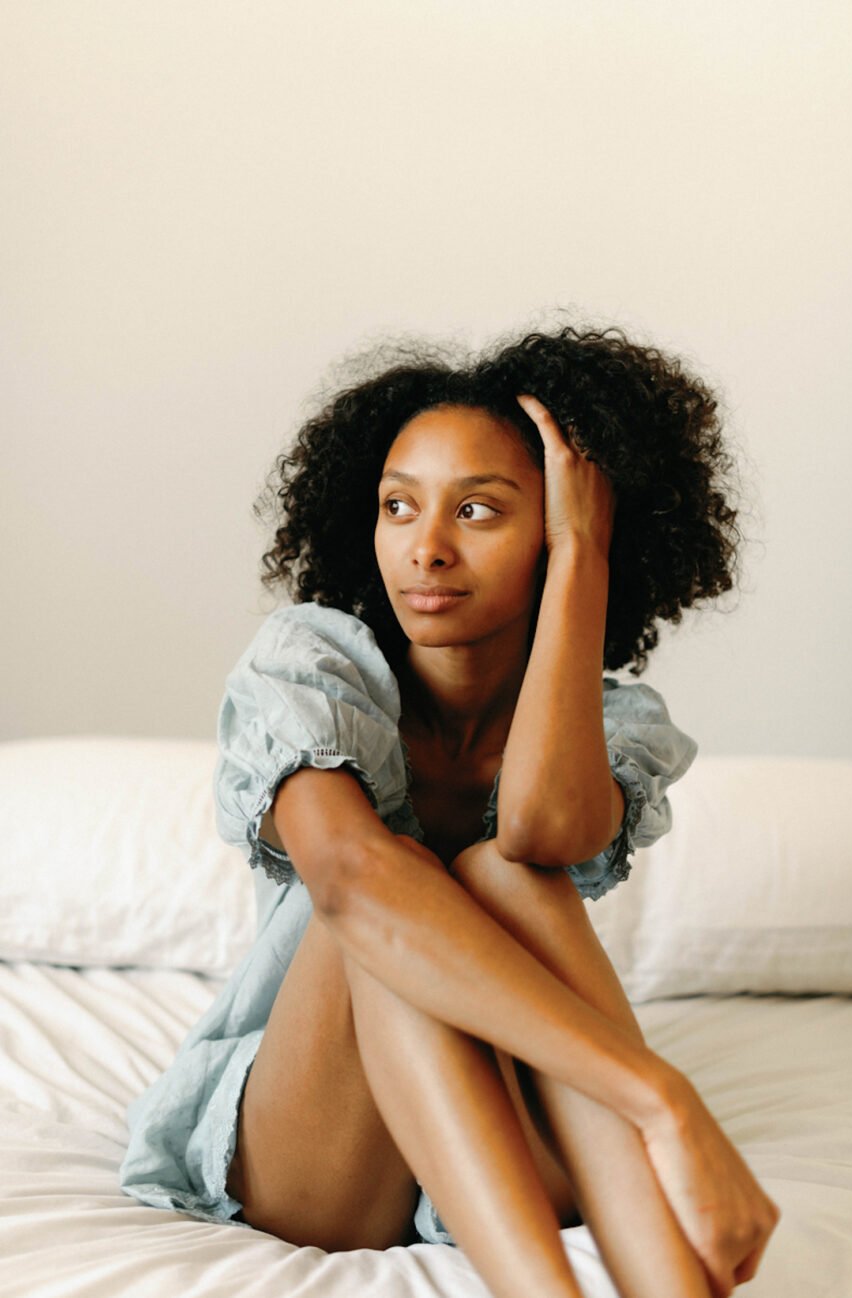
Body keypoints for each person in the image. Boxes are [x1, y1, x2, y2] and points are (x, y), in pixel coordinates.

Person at [120, 325, 779, 1298]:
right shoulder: (313, 663)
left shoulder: (615, 723)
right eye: (397, 506)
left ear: (555, 528)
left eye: (477, 510)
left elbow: (542, 834)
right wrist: (662, 1097)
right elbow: (347, 880)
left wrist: (582, 555)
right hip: (321, 1150)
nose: (425, 547)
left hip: (516, 1135)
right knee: (396, 879)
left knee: (505, 871)